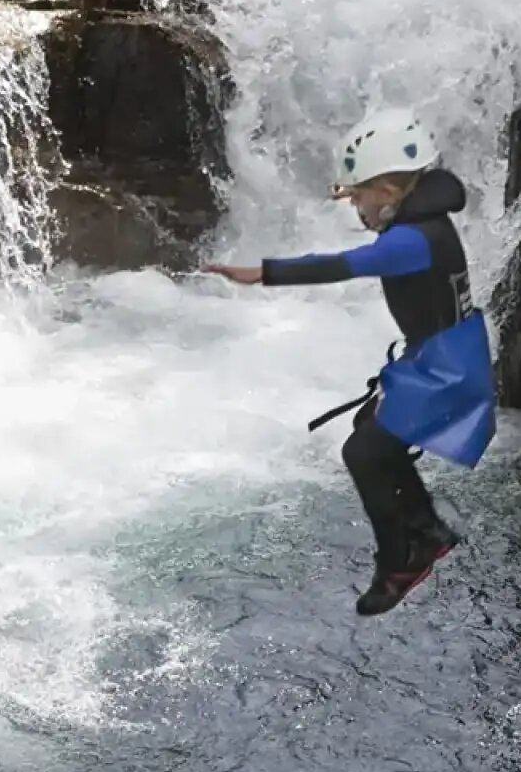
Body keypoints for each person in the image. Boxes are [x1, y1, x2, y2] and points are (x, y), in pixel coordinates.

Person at [206, 110, 480, 616]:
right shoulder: (427, 221)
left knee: (361, 452)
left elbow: (338, 266)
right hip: (445, 357)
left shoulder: (411, 241)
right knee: (371, 428)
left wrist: (260, 273)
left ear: (389, 188)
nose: (355, 205)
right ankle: (428, 527)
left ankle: (402, 559)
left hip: (448, 373)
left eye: (358, 195)